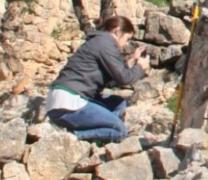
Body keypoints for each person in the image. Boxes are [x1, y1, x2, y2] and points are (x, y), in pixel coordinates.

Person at [46, 15, 148, 143]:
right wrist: (140, 67)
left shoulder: (99, 42)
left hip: (62, 102)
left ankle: (95, 135)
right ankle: (72, 137)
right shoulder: (106, 44)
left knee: (117, 104)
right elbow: (124, 79)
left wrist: (132, 61)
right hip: (69, 104)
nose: (126, 44)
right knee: (119, 130)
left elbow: (112, 80)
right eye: (127, 39)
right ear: (117, 31)